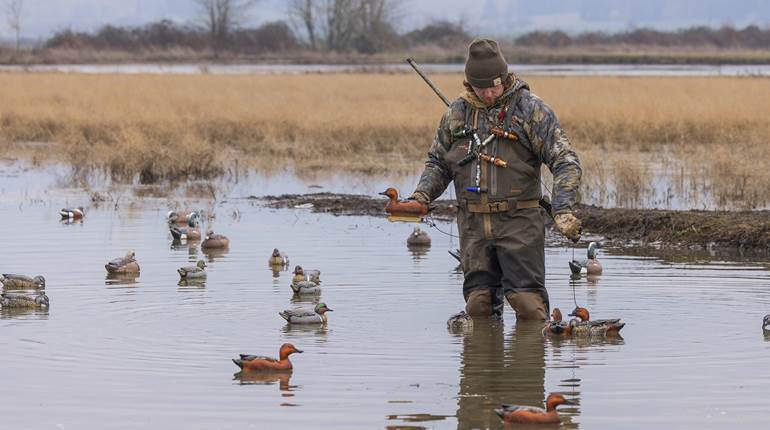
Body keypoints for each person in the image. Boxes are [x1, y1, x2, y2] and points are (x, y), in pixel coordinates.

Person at [410, 38, 582, 321]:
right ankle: (485, 351)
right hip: (473, 225)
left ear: (505, 77)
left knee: (529, 307)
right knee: (478, 307)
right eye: (481, 88)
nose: (489, 94)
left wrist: (563, 210)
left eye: (494, 86)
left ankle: (530, 349)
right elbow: (438, 163)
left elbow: (566, 161)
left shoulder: (531, 110)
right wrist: (421, 196)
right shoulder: (456, 113)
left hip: (519, 223)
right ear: (469, 84)